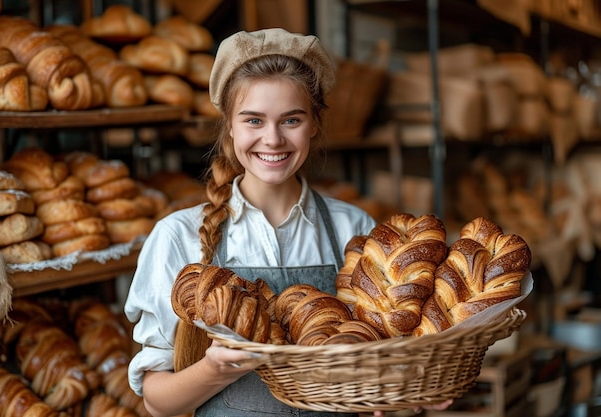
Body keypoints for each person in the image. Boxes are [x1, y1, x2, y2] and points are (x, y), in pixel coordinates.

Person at [125, 28, 451, 417]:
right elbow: (155, 403)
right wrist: (214, 370)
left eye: (291, 120)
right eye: (254, 120)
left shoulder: (353, 227)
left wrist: (403, 394)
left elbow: (377, 362)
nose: (273, 139)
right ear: (229, 125)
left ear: (314, 123)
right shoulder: (178, 237)